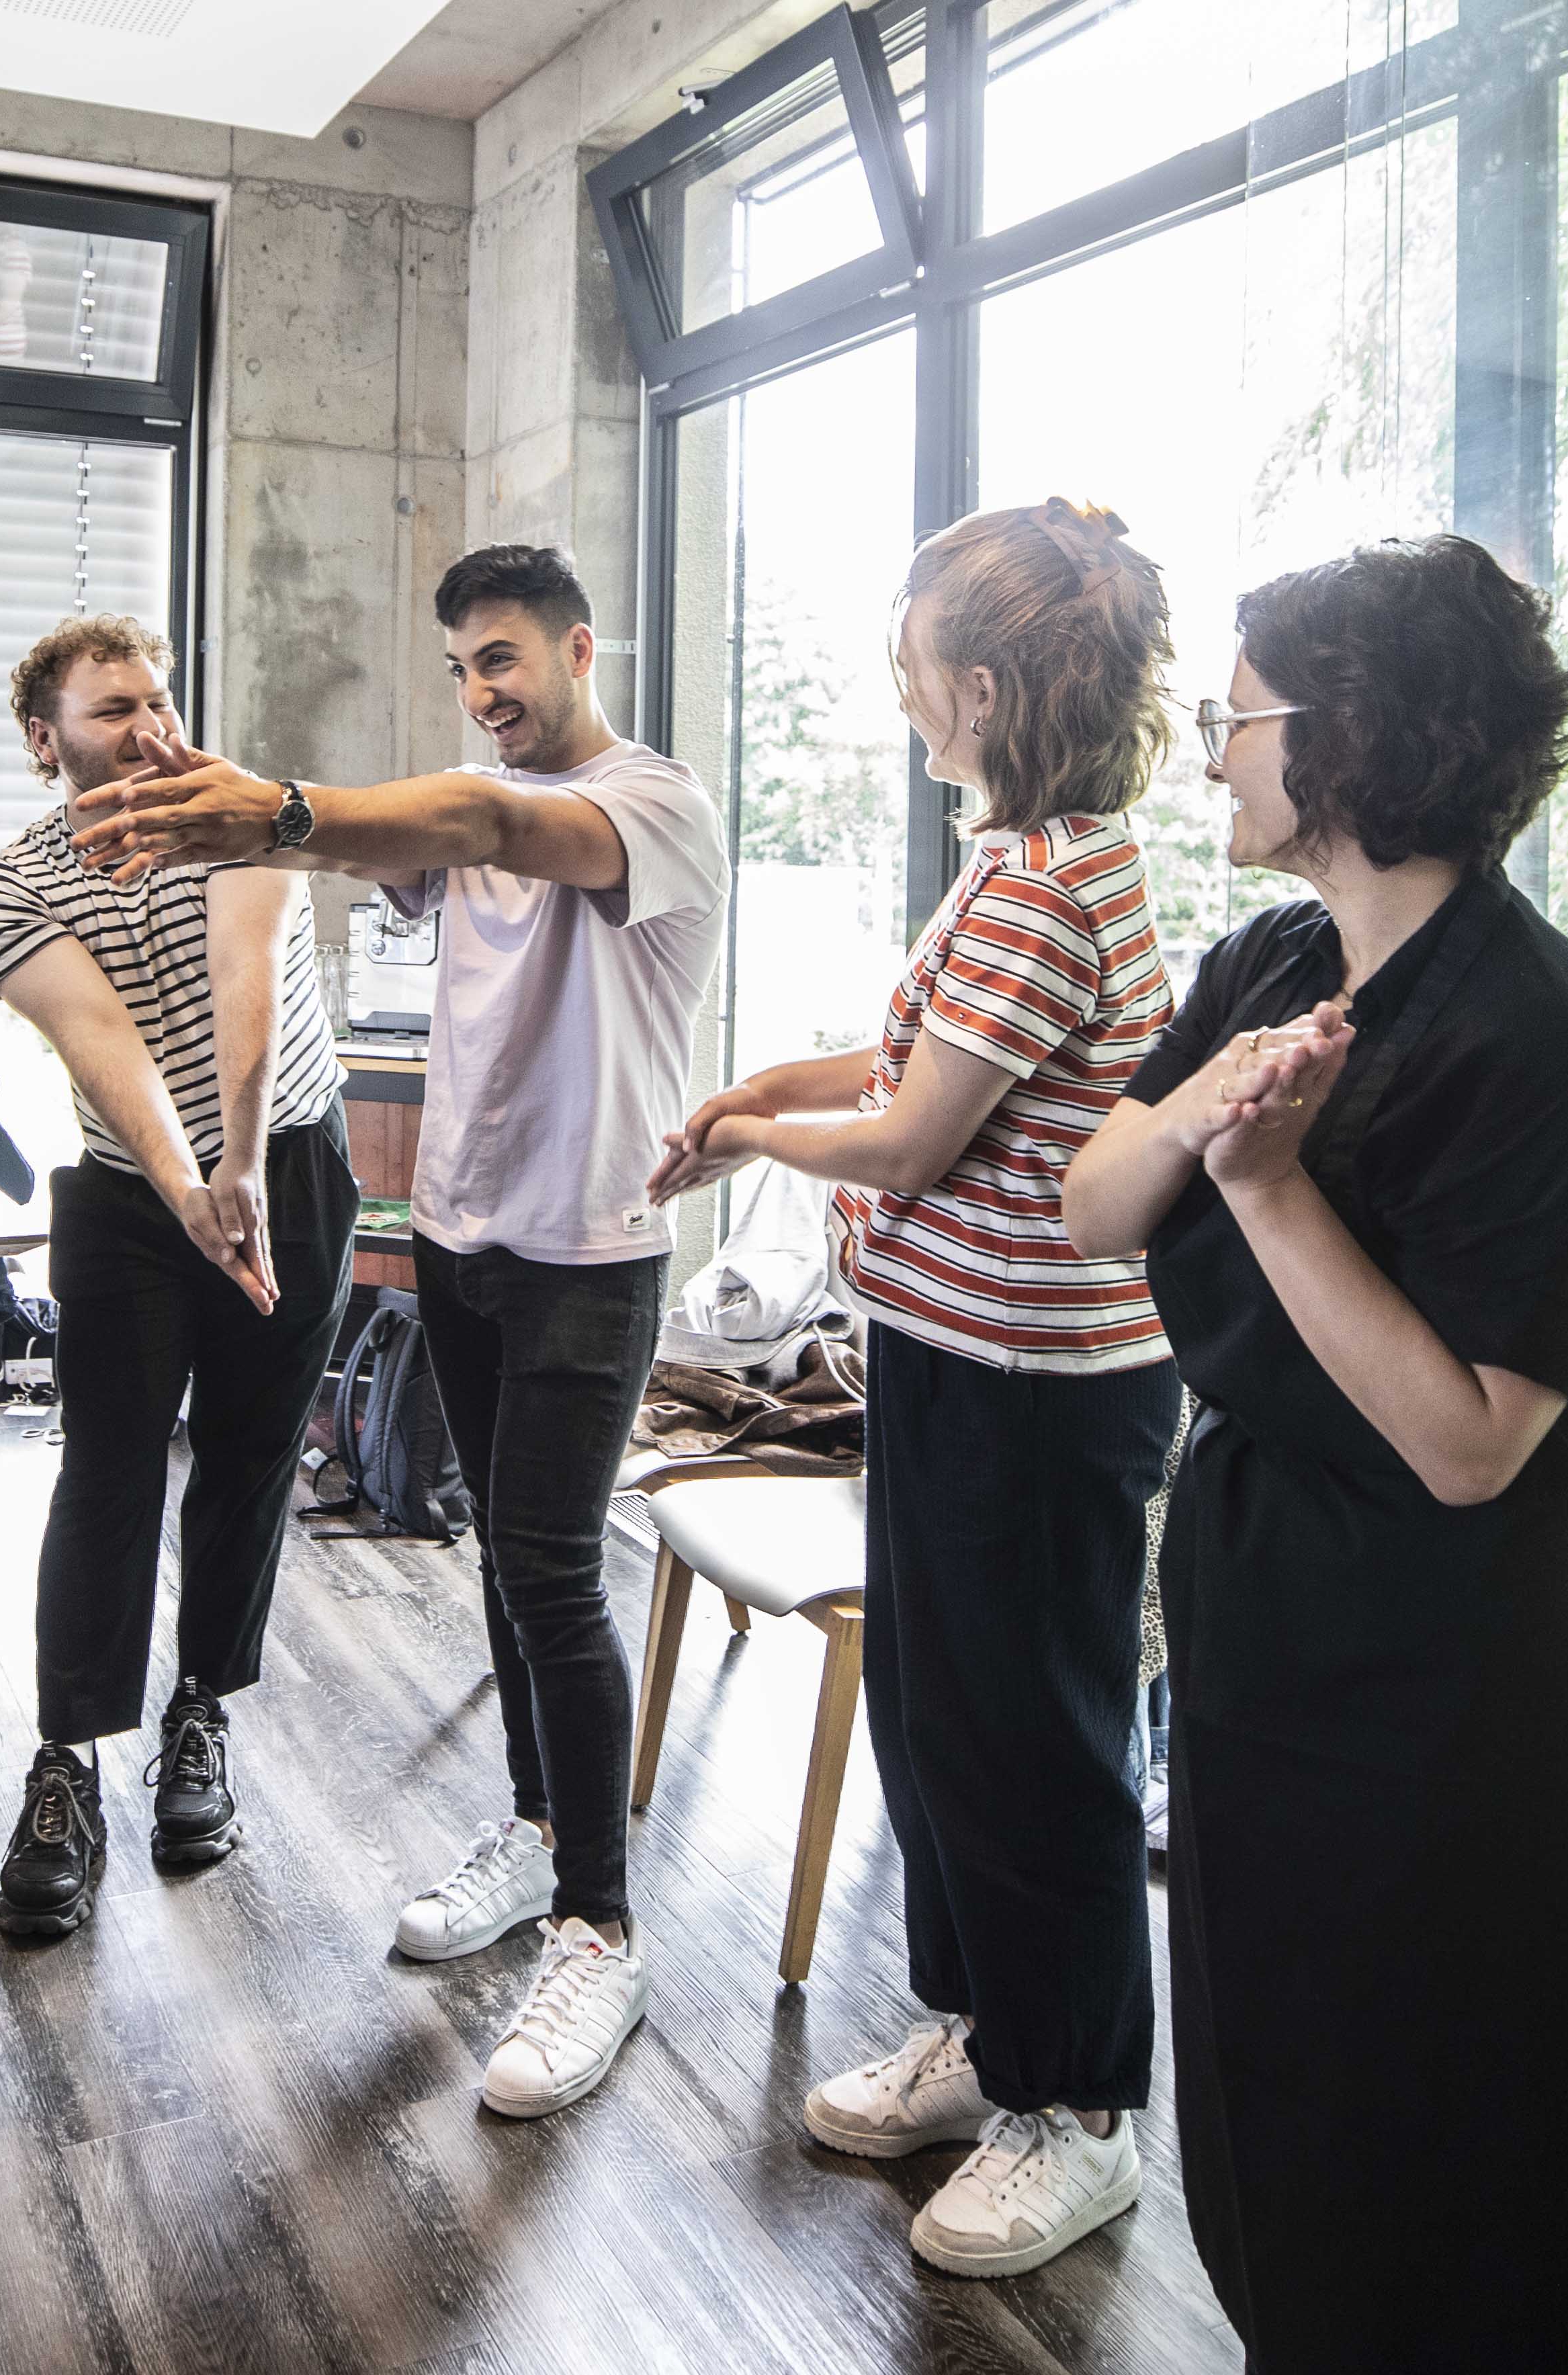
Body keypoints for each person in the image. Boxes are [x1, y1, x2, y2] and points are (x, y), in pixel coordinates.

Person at [1063, 537, 1568, 2370]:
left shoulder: (1552, 1046)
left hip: (1456, 1697)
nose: (1204, 753)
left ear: (1349, 739)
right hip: (1275, 1644)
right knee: (1281, 2151)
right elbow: (1098, 1201)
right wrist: (1211, 1110)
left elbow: (1464, 1444)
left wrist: (1257, 1184)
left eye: (1234, 716)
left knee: (1456, 2190)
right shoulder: (1273, 956)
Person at [77, 544, 726, 2119]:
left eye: (502, 658)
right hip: (460, 1225)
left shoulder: (648, 805)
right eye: (459, 668)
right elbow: (416, 850)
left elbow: (491, 826)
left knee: (554, 1570)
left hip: (586, 1247)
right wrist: (214, 791)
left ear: (579, 648)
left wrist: (279, 807)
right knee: (501, 1561)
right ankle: (535, 1827)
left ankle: (601, 1924)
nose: (481, 692)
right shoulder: (466, 787)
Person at [649, 500, 1181, 2276]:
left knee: (1032, 1750)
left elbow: (902, 1132)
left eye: (902, 671)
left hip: (1038, 1385)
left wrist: (749, 1133)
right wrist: (747, 1098)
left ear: (974, 686)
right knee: (942, 1721)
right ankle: (978, 2037)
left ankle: (1077, 2109)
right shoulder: (1011, 861)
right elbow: (892, 1060)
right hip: (955, 1364)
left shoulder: (1045, 889)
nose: (894, 699)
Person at [0, 615, 358, 1939]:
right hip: (128, 1199)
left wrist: (239, 1167)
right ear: (45, 741)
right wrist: (190, 1186)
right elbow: (107, 1051)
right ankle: (66, 1761)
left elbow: (244, 980)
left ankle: (200, 1712)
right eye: (109, 710)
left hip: (290, 1165)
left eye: (156, 700)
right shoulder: (16, 882)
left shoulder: (239, 810)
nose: (147, 728)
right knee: (109, 1465)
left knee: (253, 1454)